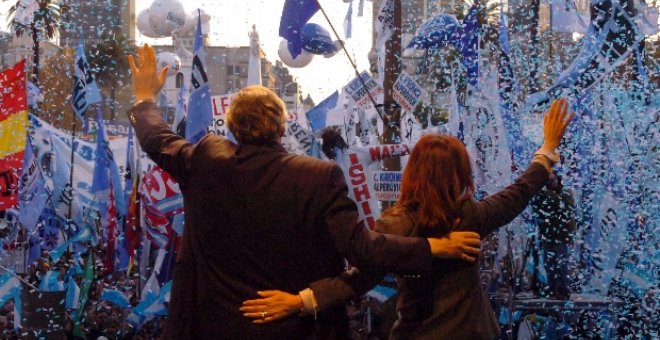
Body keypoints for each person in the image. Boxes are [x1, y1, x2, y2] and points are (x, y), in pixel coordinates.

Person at [127, 44, 482, 339]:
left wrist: (145, 96)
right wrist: (431, 246)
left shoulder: (205, 160)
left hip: (217, 328)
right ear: (281, 127)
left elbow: (156, 138)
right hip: (298, 329)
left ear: (233, 125)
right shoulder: (318, 176)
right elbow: (363, 249)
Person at [243, 98, 574, 339]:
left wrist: (300, 301)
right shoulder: (470, 216)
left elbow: (357, 279)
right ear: (460, 175)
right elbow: (519, 193)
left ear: (413, 173)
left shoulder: (394, 225)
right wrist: (547, 148)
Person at [531, 172, 577, 300]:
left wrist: (544, 193)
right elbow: (537, 209)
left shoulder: (566, 194)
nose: (551, 183)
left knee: (561, 264)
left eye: (553, 180)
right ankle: (553, 289)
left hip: (561, 236)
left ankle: (562, 290)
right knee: (549, 264)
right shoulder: (542, 194)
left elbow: (561, 207)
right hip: (548, 235)